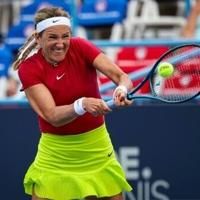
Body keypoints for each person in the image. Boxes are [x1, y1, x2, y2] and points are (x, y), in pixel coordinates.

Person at [13, 6, 133, 200]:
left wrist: (121, 89)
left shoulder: (81, 46)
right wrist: (82, 104)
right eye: (52, 37)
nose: (60, 44)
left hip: (96, 147)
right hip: (55, 154)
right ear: (38, 38)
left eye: (65, 36)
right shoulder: (29, 69)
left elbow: (121, 76)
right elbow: (52, 116)